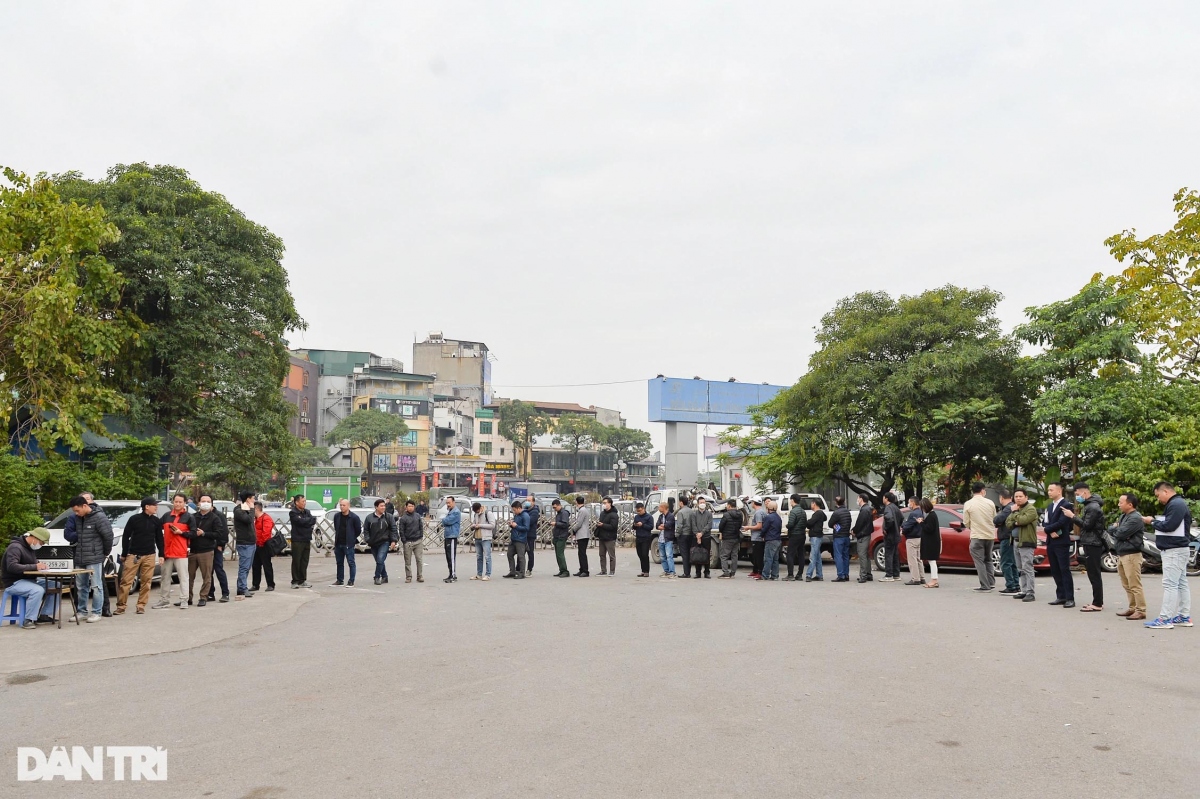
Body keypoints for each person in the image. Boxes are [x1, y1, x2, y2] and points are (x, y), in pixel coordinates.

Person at [1142, 480, 1193, 629]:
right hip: (1177, 548)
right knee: (1181, 583)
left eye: (1158, 495)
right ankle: (1184, 616)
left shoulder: (1176, 504)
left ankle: (1165, 619)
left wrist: (1152, 522)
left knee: (1170, 584)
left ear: (1166, 491)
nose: (1158, 499)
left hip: (1174, 550)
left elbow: (1170, 526)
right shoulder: (1177, 504)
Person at [66, 494, 112, 622]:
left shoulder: (99, 517)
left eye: (77, 510)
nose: (76, 513)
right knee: (81, 586)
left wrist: (104, 553)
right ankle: (81, 611)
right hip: (80, 557)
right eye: (74, 511)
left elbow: (108, 536)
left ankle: (97, 612)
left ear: (85, 506)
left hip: (95, 557)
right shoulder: (77, 518)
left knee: (96, 586)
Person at [116, 497, 163, 615]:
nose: (156, 507)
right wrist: (124, 553)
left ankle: (141, 605)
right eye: (154, 505)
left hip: (150, 555)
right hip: (133, 555)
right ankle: (121, 606)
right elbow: (126, 536)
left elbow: (159, 539)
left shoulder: (156, 521)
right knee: (126, 581)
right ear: (147, 506)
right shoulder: (134, 519)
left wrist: (162, 554)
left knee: (146, 582)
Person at [2, 527, 57, 627]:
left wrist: (40, 565)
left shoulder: (29, 548)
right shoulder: (15, 547)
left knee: (56, 586)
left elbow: (31, 563)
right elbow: (12, 566)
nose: (42, 545)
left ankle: (44, 615)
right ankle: (28, 620)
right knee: (37, 590)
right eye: (42, 543)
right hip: (14, 582)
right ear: (35, 538)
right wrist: (35, 566)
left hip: (29, 580)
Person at [1064, 483, 1105, 612]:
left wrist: (1072, 517)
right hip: (1090, 541)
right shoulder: (1090, 505)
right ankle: (1097, 601)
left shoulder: (1093, 507)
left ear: (1084, 493)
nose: (1077, 497)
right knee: (1093, 573)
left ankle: (1097, 603)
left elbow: (1087, 525)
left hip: (1093, 542)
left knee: (1094, 574)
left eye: (1077, 494)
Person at [154, 494, 193, 609]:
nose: (177, 504)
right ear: (173, 502)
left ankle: (184, 600)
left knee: (183, 577)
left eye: (180, 502)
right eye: (176, 501)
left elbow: (194, 533)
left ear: (184, 503)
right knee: (165, 576)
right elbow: (157, 528)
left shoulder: (189, 517)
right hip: (167, 551)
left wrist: (182, 533)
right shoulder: (166, 516)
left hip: (181, 552)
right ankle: (164, 600)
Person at [1113, 492, 1147, 621]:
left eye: (1121, 502)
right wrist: (1117, 529)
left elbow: (1120, 533)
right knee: (1126, 584)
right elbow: (1114, 529)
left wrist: (1118, 530)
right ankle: (1132, 607)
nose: (1118, 505)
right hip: (1122, 553)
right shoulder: (1124, 516)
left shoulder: (1135, 518)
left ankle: (1141, 610)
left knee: (1134, 584)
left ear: (1130, 504)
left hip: (1132, 554)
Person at [191, 495, 229, 605]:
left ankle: (225, 593)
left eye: (208, 501)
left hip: (215, 547)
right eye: (203, 501)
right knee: (208, 572)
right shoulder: (194, 516)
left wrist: (221, 544)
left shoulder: (218, 516)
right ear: (199, 503)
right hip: (201, 549)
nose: (206, 503)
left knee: (219, 569)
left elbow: (223, 532)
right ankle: (210, 593)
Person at [1042, 482, 1075, 608]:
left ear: (1059, 491)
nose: (1049, 492)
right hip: (1051, 542)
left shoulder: (1066, 505)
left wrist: (1048, 530)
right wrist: (1049, 531)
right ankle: (1060, 596)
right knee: (1055, 570)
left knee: (1064, 569)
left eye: (1051, 490)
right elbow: (1045, 522)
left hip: (1062, 542)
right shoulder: (1050, 506)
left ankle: (1070, 598)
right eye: (1048, 490)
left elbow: (1063, 522)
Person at [962, 481, 997, 592]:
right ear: (982, 490)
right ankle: (991, 583)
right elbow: (994, 518)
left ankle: (984, 585)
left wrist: (973, 527)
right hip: (990, 535)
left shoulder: (968, 504)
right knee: (988, 559)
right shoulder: (990, 503)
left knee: (979, 561)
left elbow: (966, 522)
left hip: (977, 535)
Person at [1005, 489, 1038, 603]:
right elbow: (1008, 523)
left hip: (1026, 541)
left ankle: (1030, 592)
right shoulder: (1015, 508)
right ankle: (1023, 590)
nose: (1018, 498)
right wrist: (1015, 520)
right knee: (1020, 568)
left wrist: (1015, 514)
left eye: (1020, 496)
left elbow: (1023, 520)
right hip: (1015, 541)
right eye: (1016, 496)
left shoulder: (1031, 509)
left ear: (1026, 497)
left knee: (1027, 567)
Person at [364, 498, 397, 585]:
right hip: (373, 542)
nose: (383, 508)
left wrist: (393, 541)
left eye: (384, 506)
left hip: (384, 542)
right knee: (379, 561)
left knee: (380, 559)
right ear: (376, 507)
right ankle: (385, 576)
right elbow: (366, 530)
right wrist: (367, 539)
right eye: (381, 506)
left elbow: (393, 529)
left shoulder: (389, 517)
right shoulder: (369, 518)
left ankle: (377, 577)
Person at [231, 491, 258, 600]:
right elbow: (248, 520)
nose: (254, 501)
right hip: (245, 543)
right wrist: (252, 509)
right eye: (253, 499)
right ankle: (242, 588)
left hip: (251, 542)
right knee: (244, 566)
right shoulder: (239, 510)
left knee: (247, 567)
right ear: (248, 499)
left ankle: (241, 587)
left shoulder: (246, 510)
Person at [993, 489, 1020, 594]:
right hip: (1011, 538)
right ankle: (1015, 585)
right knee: (1012, 563)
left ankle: (1011, 585)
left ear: (1001, 498)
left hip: (1007, 538)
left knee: (1005, 563)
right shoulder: (1012, 507)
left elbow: (997, 520)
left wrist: (999, 522)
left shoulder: (1008, 508)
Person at [331, 499, 361, 587]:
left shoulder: (354, 517)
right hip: (338, 543)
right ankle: (340, 580)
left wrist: (352, 537)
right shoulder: (337, 516)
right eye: (340, 505)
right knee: (339, 562)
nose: (342, 507)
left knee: (351, 562)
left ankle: (351, 580)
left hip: (348, 544)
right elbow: (336, 527)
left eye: (344, 505)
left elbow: (358, 530)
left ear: (348, 506)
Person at [288, 495, 316, 588]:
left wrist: (306, 521)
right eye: (302, 501)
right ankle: (295, 581)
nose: (304, 503)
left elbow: (313, 520)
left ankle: (302, 580)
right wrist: (306, 521)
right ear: (297, 502)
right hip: (297, 539)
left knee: (305, 561)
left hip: (306, 538)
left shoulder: (307, 512)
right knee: (296, 560)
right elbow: (299, 522)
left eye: (305, 501)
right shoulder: (293, 512)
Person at [398, 500, 424, 583]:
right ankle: (408, 576)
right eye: (409, 506)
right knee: (407, 561)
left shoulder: (417, 516)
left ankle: (420, 576)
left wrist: (420, 537)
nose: (411, 507)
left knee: (419, 560)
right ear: (406, 507)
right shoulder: (403, 518)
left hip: (418, 541)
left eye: (412, 506)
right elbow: (401, 530)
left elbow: (421, 527)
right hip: (408, 542)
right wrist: (404, 541)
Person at [252, 501, 276, 592]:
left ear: (257, 509)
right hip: (256, 545)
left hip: (264, 545)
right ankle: (255, 584)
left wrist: (261, 542)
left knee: (267, 565)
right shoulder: (255, 519)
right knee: (255, 565)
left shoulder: (266, 518)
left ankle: (270, 584)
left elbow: (266, 533)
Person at [901, 497, 925, 585]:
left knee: (912, 559)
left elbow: (908, 526)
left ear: (913, 503)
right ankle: (922, 577)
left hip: (912, 538)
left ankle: (915, 578)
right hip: (919, 537)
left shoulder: (913, 514)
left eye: (909, 502)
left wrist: (903, 531)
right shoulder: (921, 512)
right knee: (919, 559)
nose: (908, 504)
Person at [919, 498, 942, 588]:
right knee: (932, 561)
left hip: (931, 542)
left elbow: (929, 528)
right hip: (932, 541)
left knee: (932, 561)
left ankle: (934, 580)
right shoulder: (932, 515)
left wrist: (921, 523)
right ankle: (934, 579)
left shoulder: (931, 516)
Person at [784, 494, 808, 581]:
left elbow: (790, 524)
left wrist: (786, 526)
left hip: (794, 535)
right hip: (802, 534)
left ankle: (790, 574)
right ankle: (799, 574)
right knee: (801, 554)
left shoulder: (793, 512)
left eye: (790, 500)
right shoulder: (803, 511)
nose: (790, 502)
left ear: (793, 500)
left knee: (790, 554)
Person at [828, 496, 852, 582]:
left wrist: (835, 526)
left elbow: (830, 523)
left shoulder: (836, 512)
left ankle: (840, 575)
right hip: (846, 536)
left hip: (838, 537)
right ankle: (846, 574)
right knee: (845, 556)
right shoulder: (847, 512)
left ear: (836, 503)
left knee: (838, 556)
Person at [470, 501, 495, 580]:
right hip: (477, 537)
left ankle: (488, 574)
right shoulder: (476, 514)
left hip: (486, 538)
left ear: (480, 508)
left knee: (487, 557)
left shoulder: (488, 513)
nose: (477, 512)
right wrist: (473, 526)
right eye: (475, 512)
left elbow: (492, 525)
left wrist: (480, 525)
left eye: (477, 511)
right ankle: (479, 574)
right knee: (479, 557)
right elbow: (474, 523)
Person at [741, 497, 765, 579]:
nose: (751, 504)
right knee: (755, 555)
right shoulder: (760, 512)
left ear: (754, 503)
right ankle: (755, 571)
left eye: (751, 502)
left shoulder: (758, 513)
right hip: (757, 537)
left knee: (758, 556)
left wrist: (748, 527)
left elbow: (759, 526)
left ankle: (759, 572)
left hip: (758, 538)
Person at [718, 499, 742, 579]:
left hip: (727, 538)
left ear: (729, 505)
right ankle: (733, 573)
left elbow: (721, 526)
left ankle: (726, 572)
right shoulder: (740, 514)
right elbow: (740, 525)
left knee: (724, 555)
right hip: (736, 537)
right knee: (734, 555)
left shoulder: (726, 515)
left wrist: (722, 532)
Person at [881, 493, 902, 582]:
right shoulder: (896, 507)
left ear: (886, 498)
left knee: (889, 554)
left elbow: (889, 519)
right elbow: (901, 518)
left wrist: (886, 528)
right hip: (896, 533)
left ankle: (889, 575)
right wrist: (897, 527)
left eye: (883, 497)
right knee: (895, 554)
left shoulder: (888, 508)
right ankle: (896, 574)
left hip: (890, 534)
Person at [505, 500, 529, 579]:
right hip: (514, 538)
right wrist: (512, 525)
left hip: (521, 539)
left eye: (514, 510)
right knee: (509, 554)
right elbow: (516, 525)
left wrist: (516, 526)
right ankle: (512, 571)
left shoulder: (525, 516)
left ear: (519, 508)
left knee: (521, 556)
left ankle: (522, 573)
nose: (514, 512)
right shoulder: (517, 515)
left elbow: (526, 528)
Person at [595, 497, 620, 576]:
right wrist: (599, 524)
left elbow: (613, 526)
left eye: (605, 503)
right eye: (603, 503)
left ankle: (612, 571)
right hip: (602, 536)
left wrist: (603, 525)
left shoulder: (614, 514)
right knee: (602, 555)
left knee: (611, 555)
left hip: (610, 537)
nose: (604, 505)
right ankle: (603, 570)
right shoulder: (602, 513)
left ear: (610, 504)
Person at [853, 495, 875, 583]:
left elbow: (860, 523)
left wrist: (854, 531)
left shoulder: (864, 510)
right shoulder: (868, 509)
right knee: (866, 555)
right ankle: (868, 574)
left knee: (862, 555)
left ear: (861, 499)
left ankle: (863, 575)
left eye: (858, 498)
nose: (857, 500)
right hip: (867, 534)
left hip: (862, 535)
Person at [804, 499, 827, 582]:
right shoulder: (821, 514)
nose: (811, 505)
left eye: (811, 504)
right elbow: (825, 518)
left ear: (814, 504)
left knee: (813, 556)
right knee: (817, 557)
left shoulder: (817, 514)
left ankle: (808, 574)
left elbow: (809, 523)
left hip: (816, 536)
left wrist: (806, 522)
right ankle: (819, 575)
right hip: (818, 536)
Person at [760, 499, 783, 580]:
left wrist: (761, 535)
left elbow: (764, 528)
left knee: (768, 558)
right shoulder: (778, 517)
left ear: (768, 508)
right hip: (778, 539)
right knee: (775, 559)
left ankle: (765, 575)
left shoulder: (768, 517)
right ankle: (775, 575)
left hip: (770, 539)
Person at [570, 495, 592, 577]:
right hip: (582, 534)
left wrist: (573, 529)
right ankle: (581, 569)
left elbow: (579, 523)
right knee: (580, 553)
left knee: (582, 553)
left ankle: (585, 570)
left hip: (583, 534)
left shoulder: (582, 510)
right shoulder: (582, 510)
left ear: (577, 502)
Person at [692, 496, 714, 578]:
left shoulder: (709, 514)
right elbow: (693, 525)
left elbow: (709, 525)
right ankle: (698, 572)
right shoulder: (694, 514)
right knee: (697, 554)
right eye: (701, 503)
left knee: (706, 554)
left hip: (706, 537)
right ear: (697, 504)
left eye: (703, 503)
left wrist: (702, 533)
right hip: (696, 537)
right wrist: (697, 535)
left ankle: (707, 572)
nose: (702, 504)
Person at [674, 495, 695, 578]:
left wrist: (677, 535)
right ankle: (688, 572)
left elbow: (680, 525)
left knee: (684, 555)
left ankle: (686, 573)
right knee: (689, 554)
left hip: (683, 535)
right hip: (691, 534)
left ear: (681, 502)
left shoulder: (680, 512)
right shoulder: (692, 511)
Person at [442, 496, 461, 583]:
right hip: (448, 536)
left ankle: (453, 575)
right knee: (448, 557)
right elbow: (445, 522)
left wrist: (444, 520)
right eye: (447, 503)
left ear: (454, 502)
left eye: (449, 503)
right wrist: (444, 521)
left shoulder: (456, 512)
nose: (448, 504)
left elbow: (447, 521)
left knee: (452, 557)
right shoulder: (450, 511)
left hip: (452, 537)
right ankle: (450, 574)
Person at [632, 502, 655, 577]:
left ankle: (646, 571)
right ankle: (642, 570)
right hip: (638, 537)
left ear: (643, 509)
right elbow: (634, 527)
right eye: (637, 511)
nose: (639, 512)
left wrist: (643, 525)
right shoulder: (637, 517)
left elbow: (650, 527)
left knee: (645, 554)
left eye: (640, 510)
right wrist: (635, 525)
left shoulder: (649, 517)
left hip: (646, 538)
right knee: (640, 555)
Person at [551, 499, 572, 578]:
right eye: (553, 508)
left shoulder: (564, 513)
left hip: (562, 536)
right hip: (557, 535)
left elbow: (565, 524)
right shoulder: (559, 513)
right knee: (558, 555)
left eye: (555, 507)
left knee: (560, 554)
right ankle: (561, 570)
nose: (554, 509)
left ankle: (565, 571)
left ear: (559, 505)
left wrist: (556, 523)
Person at [656, 501, 676, 578]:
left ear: (664, 507)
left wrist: (664, 526)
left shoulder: (670, 516)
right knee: (662, 556)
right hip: (661, 539)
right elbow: (657, 525)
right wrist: (662, 526)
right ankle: (666, 571)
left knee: (669, 556)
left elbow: (669, 525)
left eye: (660, 507)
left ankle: (672, 572)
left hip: (668, 539)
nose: (659, 508)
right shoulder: (661, 516)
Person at [525, 500, 541, 575]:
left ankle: (529, 569)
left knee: (530, 552)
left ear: (533, 502)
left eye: (529, 500)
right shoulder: (525, 509)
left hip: (530, 534)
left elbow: (529, 521)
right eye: (527, 500)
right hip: (523, 534)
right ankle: (518, 569)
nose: (527, 502)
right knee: (521, 552)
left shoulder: (535, 512)